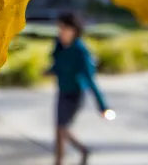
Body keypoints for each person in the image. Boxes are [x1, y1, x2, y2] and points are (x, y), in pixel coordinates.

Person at [47, 13, 112, 165]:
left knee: (63, 128)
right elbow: (58, 65)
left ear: (74, 30)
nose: (61, 32)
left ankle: (82, 149)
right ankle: (60, 161)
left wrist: (103, 107)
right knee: (58, 130)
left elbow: (90, 80)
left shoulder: (81, 51)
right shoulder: (60, 46)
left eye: (64, 28)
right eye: (59, 28)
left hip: (75, 94)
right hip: (62, 92)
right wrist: (50, 70)